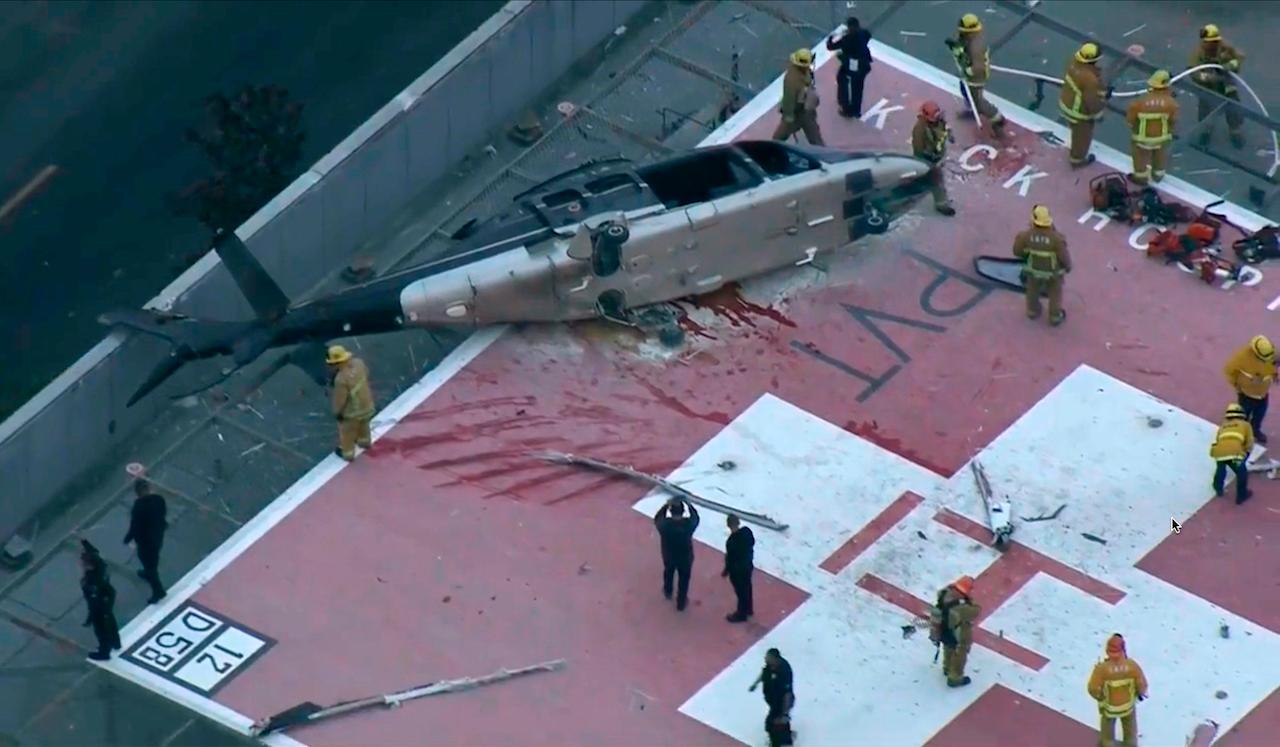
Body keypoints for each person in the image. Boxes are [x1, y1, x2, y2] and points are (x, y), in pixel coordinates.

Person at [1012, 205, 1072, 326]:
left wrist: (1027, 254)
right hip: (1053, 273)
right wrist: (1068, 267)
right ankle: (1055, 316)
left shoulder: (1025, 236)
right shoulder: (1057, 239)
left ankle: (1032, 311)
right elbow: (1064, 258)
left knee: (1032, 290)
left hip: (1033, 270)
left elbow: (1017, 252)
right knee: (1055, 293)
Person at [947, 14, 1005, 136]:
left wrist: (966, 71)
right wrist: (955, 47)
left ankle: (997, 119)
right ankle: (971, 110)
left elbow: (978, 68)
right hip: (968, 77)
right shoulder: (967, 39)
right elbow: (962, 51)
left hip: (975, 78)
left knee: (978, 101)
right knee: (964, 90)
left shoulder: (976, 47)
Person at [1087, 633, 1148, 747]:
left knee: (1107, 734)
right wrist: (1140, 693)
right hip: (1128, 707)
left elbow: (1092, 688)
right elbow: (1142, 684)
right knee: (1130, 732)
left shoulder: (1101, 669)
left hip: (1109, 708)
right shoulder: (1132, 666)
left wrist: (1100, 697)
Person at [1189, 24, 1245, 149]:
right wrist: (1207, 77)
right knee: (1206, 109)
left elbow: (1240, 55)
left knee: (1233, 106)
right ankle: (1206, 131)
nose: (1212, 44)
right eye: (1209, 42)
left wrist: (1232, 64)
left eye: (1214, 41)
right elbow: (1193, 72)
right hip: (1208, 86)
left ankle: (1235, 131)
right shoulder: (1198, 52)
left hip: (1226, 83)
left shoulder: (1224, 46)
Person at [1126, 70, 1178, 185]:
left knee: (1140, 157)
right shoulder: (1172, 104)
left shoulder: (1139, 103)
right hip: (1162, 138)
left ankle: (1140, 177)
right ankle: (1158, 176)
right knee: (1160, 156)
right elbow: (1173, 121)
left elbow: (1130, 121)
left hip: (1141, 138)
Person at [1058, 42, 1106, 168]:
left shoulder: (1072, 63)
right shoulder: (1089, 79)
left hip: (1066, 103)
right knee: (1082, 137)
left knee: (1075, 131)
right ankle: (1077, 160)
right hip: (1079, 113)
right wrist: (1099, 114)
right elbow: (1091, 100)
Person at [1222, 334, 1275, 444]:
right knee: (1243, 416)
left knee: (1259, 415)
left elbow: (1274, 365)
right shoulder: (1242, 358)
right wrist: (1238, 387)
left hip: (1263, 393)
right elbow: (1229, 371)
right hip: (1246, 395)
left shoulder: (1269, 352)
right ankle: (1241, 435)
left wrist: (1274, 376)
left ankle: (1255, 431)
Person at [929, 575, 979, 687]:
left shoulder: (943, 594)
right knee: (960, 654)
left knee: (948, 648)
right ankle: (955, 678)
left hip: (943, 630)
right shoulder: (962, 607)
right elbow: (976, 611)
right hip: (957, 632)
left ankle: (947, 668)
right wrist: (970, 600)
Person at [327, 344, 375, 461]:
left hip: (352, 414)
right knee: (364, 426)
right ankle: (365, 442)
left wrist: (337, 412)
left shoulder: (340, 379)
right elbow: (366, 374)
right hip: (367, 405)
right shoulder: (359, 363)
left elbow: (340, 400)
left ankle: (347, 453)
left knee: (347, 434)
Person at [123, 478, 168, 604]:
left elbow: (135, 526)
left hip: (145, 540)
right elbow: (162, 515)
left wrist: (128, 538)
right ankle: (149, 573)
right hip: (157, 536)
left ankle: (158, 590)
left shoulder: (139, 507)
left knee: (149, 564)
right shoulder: (159, 500)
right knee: (152, 560)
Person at [911, 101, 957, 216]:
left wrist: (950, 136)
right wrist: (925, 162)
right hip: (928, 159)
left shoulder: (940, 121)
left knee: (923, 177)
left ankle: (916, 183)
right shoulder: (920, 129)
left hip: (937, 157)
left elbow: (946, 129)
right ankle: (942, 205)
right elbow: (918, 148)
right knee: (937, 182)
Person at [653, 498, 699, 611]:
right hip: (685, 557)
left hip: (669, 556)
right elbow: (696, 518)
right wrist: (689, 504)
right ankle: (681, 603)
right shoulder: (687, 525)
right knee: (684, 580)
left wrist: (666, 505)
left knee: (668, 572)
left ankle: (668, 591)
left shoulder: (665, 525)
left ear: (671, 511)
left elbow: (657, 519)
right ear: (683, 512)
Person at [772, 48, 824, 145]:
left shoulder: (803, 72)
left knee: (814, 136)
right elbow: (789, 99)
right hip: (797, 112)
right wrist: (788, 116)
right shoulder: (792, 80)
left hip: (805, 110)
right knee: (779, 137)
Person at [80, 540, 121, 661]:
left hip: (100, 603)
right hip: (108, 595)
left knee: (101, 629)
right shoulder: (101, 564)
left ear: (89, 565)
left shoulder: (92, 581)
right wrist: (84, 542)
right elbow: (94, 551)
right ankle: (115, 642)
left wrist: (91, 617)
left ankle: (104, 652)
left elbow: (93, 602)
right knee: (111, 621)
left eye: (84, 563)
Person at [826, 16, 872, 118]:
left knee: (842, 79)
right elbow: (868, 35)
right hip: (864, 64)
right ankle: (856, 110)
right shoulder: (863, 33)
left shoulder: (847, 39)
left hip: (853, 65)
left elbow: (830, 47)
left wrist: (830, 38)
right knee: (858, 88)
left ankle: (846, 107)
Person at [1210, 403, 1254, 505]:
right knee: (1241, 472)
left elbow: (1218, 440)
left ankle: (1218, 488)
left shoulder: (1223, 426)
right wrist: (1246, 454)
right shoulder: (1245, 425)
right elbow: (1249, 442)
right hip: (1235, 453)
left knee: (1220, 469)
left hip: (1219, 452)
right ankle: (1241, 496)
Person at [749, 648, 795, 747]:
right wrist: (755, 684)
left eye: (768, 657)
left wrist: (785, 713)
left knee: (771, 724)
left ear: (775, 658)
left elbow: (787, 694)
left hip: (780, 703)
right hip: (772, 700)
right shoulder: (770, 666)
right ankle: (787, 737)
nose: (765, 659)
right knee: (779, 723)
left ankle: (777, 743)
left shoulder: (784, 671)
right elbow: (764, 673)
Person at [722, 514, 755, 623]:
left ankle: (741, 614)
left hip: (737, 570)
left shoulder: (731, 542)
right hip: (747, 566)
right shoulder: (747, 532)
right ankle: (749, 609)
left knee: (741, 592)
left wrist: (726, 571)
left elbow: (730, 559)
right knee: (748, 588)